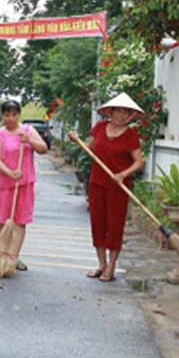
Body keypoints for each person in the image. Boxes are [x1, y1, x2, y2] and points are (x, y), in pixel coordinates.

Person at [68, 93, 145, 282]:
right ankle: (101, 264)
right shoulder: (100, 128)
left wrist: (123, 174)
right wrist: (77, 140)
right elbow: (90, 149)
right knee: (98, 223)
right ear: (111, 112)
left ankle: (111, 267)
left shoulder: (130, 135)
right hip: (97, 182)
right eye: (118, 111)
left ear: (130, 115)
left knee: (115, 225)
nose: (121, 116)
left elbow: (139, 162)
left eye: (125, 112)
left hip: (118, 186)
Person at [0, 99, 48, 271]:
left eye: (14, 115)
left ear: (19, 115)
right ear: (2, 116)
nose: (11, 118)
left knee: (20, 221)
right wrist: (10, 173)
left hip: (25, 183)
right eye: (7, 115)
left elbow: (43, 149)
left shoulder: (28, 131)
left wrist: (29, 141)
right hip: (6, 183)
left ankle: (13, 257)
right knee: (1, 220)